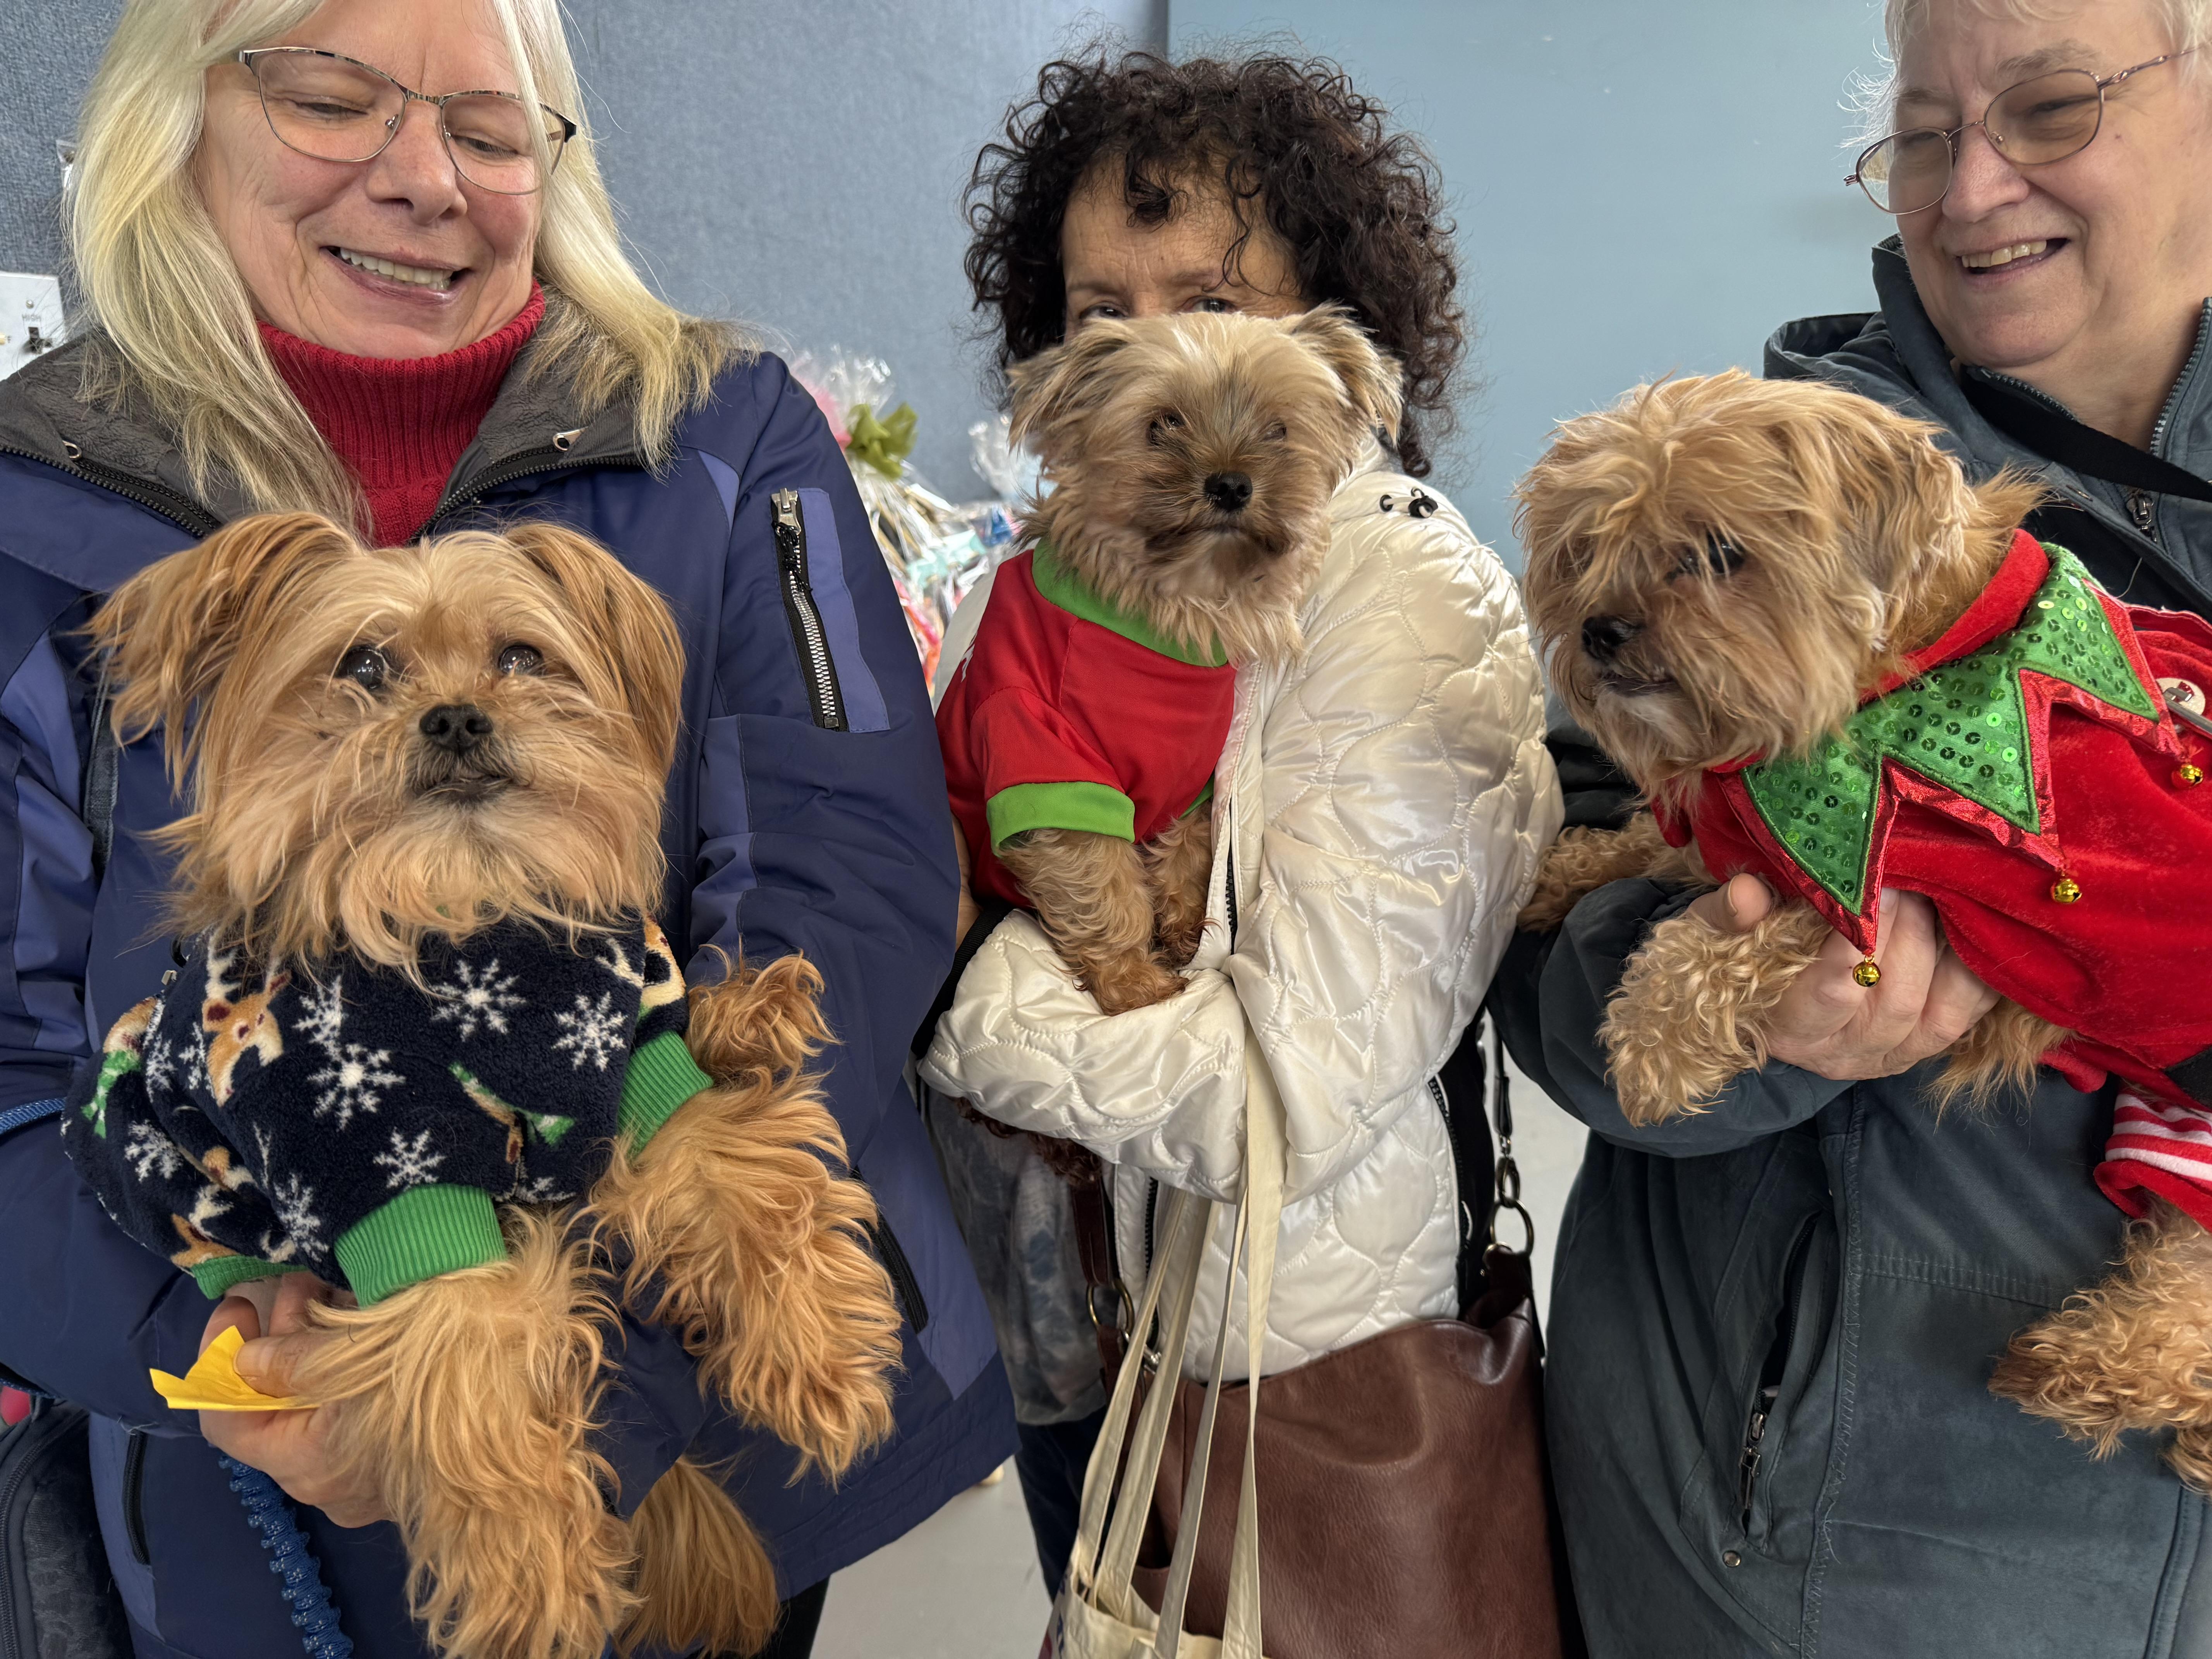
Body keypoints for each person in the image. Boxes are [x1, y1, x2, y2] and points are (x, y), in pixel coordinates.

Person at [0, 1, 1014, 1654]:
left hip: (730, 1447)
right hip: (229, 1493)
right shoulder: (26, 500)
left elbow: (857, 884)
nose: (422, 179)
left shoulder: (726, 428)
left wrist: (638, 1372)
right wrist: (228, 1343)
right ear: (172, 126)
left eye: (487, 130)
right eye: (333, 97)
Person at [1492, 0, 2212, 1652]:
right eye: (1918, 133)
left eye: (2047, 107)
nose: (1968, 192)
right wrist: (1746, 1001)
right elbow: (1550, 959)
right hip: (1800, 1556)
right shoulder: (1776, 464)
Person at [921, 48, 1561, 1594]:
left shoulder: (1402, 596)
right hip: (1081, 1301)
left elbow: (1268, 1100)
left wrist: (943, 991)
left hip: (1293, 1346)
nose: (1157, 356)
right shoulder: (1050, 589)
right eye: (1099, 317)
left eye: (1209, 299)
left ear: (1332, 330)